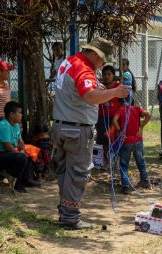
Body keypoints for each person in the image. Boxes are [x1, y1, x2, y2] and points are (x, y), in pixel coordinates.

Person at [52, 37, 130, 229]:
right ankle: (70, 217)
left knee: (64, 172)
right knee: (78, 173)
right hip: (77, 129)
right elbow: (89, 96)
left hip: (60, 125)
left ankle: (65, 211)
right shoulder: (84, 68)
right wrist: (113, 93)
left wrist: (97, 87)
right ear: (95, 54)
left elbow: (78, 89)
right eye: (103, 60)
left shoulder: (69, 61)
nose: (103, 64)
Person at [0, 101, 40, 193]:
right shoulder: (4, 126)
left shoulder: (16, 125)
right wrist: (20, 152)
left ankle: (25, 180)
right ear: (12, 114)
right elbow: (8, 147)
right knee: (21, 157)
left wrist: (23, 148)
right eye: (19, 113)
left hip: (5, 154)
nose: (21, 115)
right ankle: (16, 182)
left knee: (29, 152)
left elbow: (20, 141)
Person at [112, 97, 151, 194]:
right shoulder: (137, 109)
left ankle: (125, 186)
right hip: (138, 141)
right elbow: (148, 114)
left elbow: (114, 120)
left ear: (122, 102)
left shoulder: (120, 110)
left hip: (125, 141)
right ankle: (145, 181)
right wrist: (141, 127)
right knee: (141, 161)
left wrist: (118, 130)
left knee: (124, 164)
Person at [96, 65, 120, 160]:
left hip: (114, 119)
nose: (106, 76)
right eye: (104, 74)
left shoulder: (118, 87)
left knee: (114, 139)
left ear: (113, 75)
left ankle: (115, 159)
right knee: (104, 140)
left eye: (109, 74)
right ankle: (106, 159)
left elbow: (123, 104)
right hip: (102, 117)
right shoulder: (100, 87)